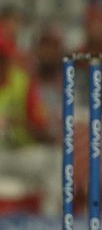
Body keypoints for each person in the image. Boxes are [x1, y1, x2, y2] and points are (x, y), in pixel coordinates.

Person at [0, 35, 60, 215]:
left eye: (5, 58)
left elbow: (43, 132)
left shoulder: (23, 83)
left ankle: (50, 220)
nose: (4, 64)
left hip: (19, 153)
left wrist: (16, 122)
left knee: (57, 159)